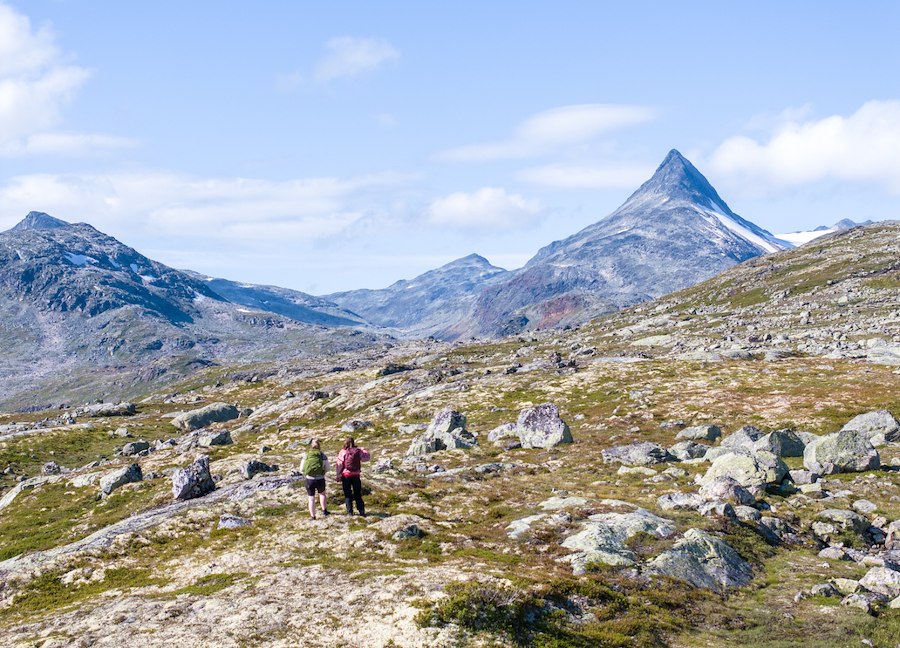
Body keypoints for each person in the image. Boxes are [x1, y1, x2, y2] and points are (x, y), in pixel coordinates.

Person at [336, 436, 370, 516]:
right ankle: (361, 511)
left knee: (348, 494)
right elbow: (367, 458)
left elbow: (339, 464)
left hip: (346, 475)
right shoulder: (358, 451)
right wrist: (364, 450)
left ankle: (350, 512)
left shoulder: (343, 452)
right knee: (357, 493)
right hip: (356, 475)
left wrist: (338, 474)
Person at [299, 439, 330, 520]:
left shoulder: (306, 455)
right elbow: (328, 468)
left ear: (311, 446)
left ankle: (313, 516)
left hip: (309, 479)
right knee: (322, 494)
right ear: (319, 446)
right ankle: (325, 511)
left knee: (311, 498)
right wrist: (323, 472)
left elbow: (301, 469)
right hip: (320, 478)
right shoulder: (323, 455)